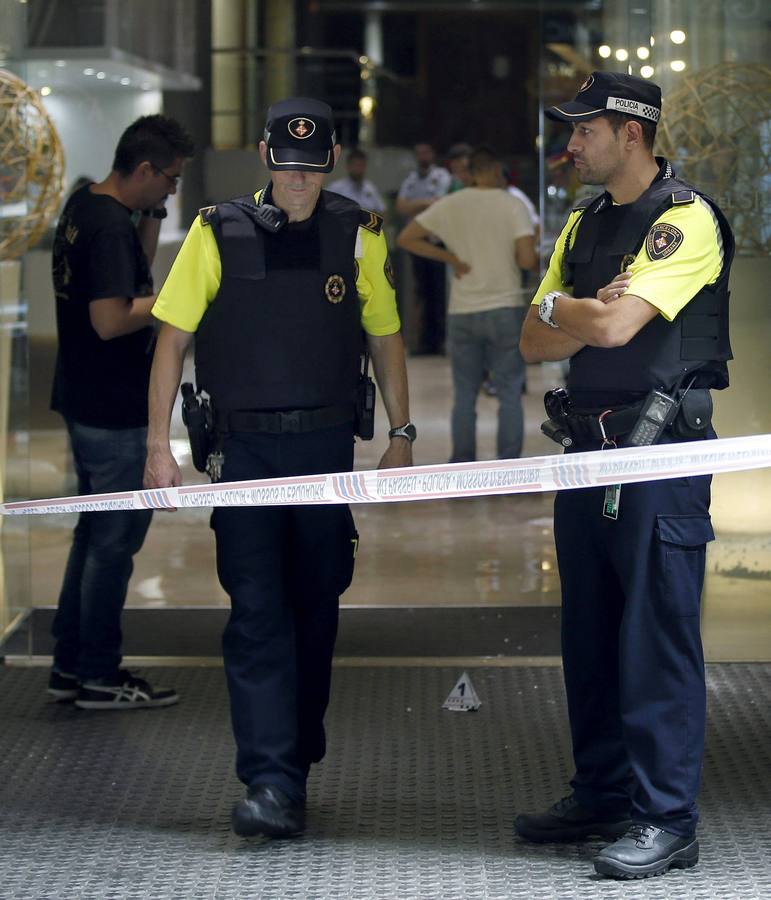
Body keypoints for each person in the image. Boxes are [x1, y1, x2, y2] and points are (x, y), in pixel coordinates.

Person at [144, 97, 414, 839]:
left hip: (325, 450)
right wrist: (156, 446)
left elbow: (384, 335)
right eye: (287, 167)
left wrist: (402, 431)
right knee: (258, 611)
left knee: (317, 602)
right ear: (266, 158)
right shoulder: (215, 230)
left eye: (312, 167)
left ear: (329, 162)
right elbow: (171, 341)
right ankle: (269, 776)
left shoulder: (356, 235)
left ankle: (294, 750)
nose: (299, 181)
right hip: (246, 454)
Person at [515, 72, 734, 880]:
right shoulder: (582, 223)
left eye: (583, 131)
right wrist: (569, 311)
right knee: (592, 637)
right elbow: (531, 342)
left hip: (658, 459)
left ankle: (666, 819)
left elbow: (611, 324)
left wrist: (568, 310)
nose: (568, 145)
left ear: (630, 133)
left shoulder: (684, 220)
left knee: (655, 640)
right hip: (587, 454)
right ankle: (603, 793)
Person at [48, 114, 195, 710]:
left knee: (93, 537)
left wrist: (152, 217)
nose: (173, 190)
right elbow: (111, 319)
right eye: (169, 180)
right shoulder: (107, 225)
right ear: (143, 169)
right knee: (113, 544)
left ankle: (70, 666)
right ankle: (100, 675)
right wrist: (177, 301)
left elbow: (130, 275)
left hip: (84, 396)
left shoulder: (86, 207)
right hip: (113, 408)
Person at [397, 146, 536, 462]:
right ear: (493, 170)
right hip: (505, 309)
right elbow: (527, 259)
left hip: (463, 311)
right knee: (510, 394)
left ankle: (462, 461)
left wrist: (452, 259)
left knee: (464, 396)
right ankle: (510, 465)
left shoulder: (450, 204)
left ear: (470, 173)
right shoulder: (513, 205)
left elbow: (407, 238)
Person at [396, 142, 452, 354]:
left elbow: (442, 203)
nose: (422, 156)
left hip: (436, 240)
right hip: (416, 242)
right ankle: (423, 342)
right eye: (418, 153)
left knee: (438, 293)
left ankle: (438, 342)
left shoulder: (442, 176)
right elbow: (401, 206)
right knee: (421, 292)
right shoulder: (411, 179)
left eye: (426, 152)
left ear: (432, 154)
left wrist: (416, 204)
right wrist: (427, 202)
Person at [326, 146, 386, 214]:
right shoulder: (335, 188)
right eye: (355, 165)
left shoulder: (370, 188)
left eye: (361, 165)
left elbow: (382, 211)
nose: (358, 169)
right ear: (348, 166)